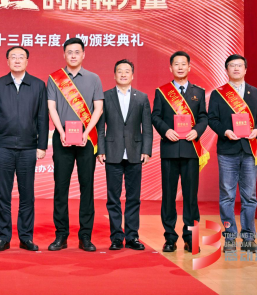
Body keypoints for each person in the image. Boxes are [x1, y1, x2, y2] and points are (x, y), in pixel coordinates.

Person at [0, 46, 48, 252]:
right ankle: (3, 237)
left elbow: (42, 118)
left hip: (28, 148)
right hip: (3, 147)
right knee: (3, 194)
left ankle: (26, 237)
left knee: (27, 194)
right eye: (13, 57)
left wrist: (41, 145)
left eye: (21, 57)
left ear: (27, 61)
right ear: (7, 61)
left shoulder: (38, 85)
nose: (17, 60)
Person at [47, 38, 103, 252]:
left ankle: (85, 236)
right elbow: (51, 107)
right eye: (69, 52)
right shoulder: (55, 78)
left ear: (83, 54)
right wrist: (61, 132)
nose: (73, 55)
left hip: (87, 139)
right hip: (62, 138)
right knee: (60, 188)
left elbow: (98, 109)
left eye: (77, 52)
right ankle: (61, 235)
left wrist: (86, 133)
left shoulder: (94, 78)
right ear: (64, 54)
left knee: (87, 187)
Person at [207, 54, 257, 253]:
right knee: (227, 196)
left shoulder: (256, 93)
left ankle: (249, 239)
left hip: (249, 150)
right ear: (226, 70)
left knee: (249, 196)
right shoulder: (218, 94)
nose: (236, 68)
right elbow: (212, 119)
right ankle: (230, 238)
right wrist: (225, 131)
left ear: (245, 69)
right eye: (232, 65)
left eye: (239, 65)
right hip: (227, 150)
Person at [152, 51, 209, 253]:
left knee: (191, 197)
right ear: (171, 68)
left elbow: (204, 117)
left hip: (191, 150)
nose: (180, 67)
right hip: (169, 149)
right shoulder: (162, 91)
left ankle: (191, 238)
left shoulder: (198, 92)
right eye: (176, 64)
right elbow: (155, 116)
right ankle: (170, 238)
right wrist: (166, 130)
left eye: (183, 64)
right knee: (168, 196)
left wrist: (197, 131)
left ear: (189, 67)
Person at [97, 59, 152, 251]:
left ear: (132, 75)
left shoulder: (142, 97)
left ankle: (132, 236)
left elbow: (147, 127)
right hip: (112, 153)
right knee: (113, 198)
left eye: (127, 71)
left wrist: (146, 150)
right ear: (114, 75)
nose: (123, 74)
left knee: (133, 197)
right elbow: (100, 128)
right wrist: (101, 150)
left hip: (135, 153)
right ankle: (116, 237)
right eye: (119, 71)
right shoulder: (105, 97)